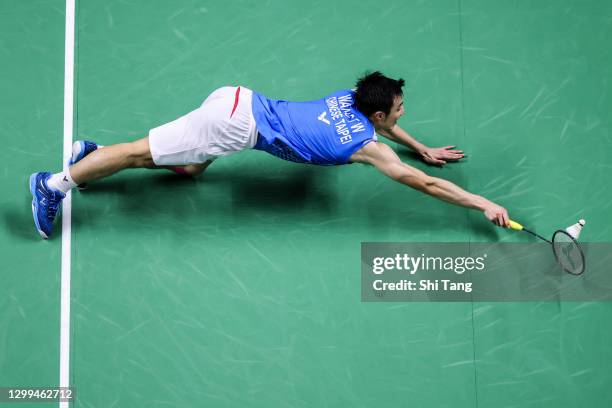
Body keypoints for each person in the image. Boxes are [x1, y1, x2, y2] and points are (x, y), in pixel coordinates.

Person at [29, 71, 509, 239]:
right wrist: (481, 203)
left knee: (193, 168)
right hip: (235, 124)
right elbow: (424, 185)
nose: (404, 112)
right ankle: (55, 184)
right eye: (399, 108)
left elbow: (391, 129)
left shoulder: (353, 97)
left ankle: (94, 157)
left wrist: (420, 146)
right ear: (378, 116)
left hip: (239, 100)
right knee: (139, 154)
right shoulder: (364, 148)